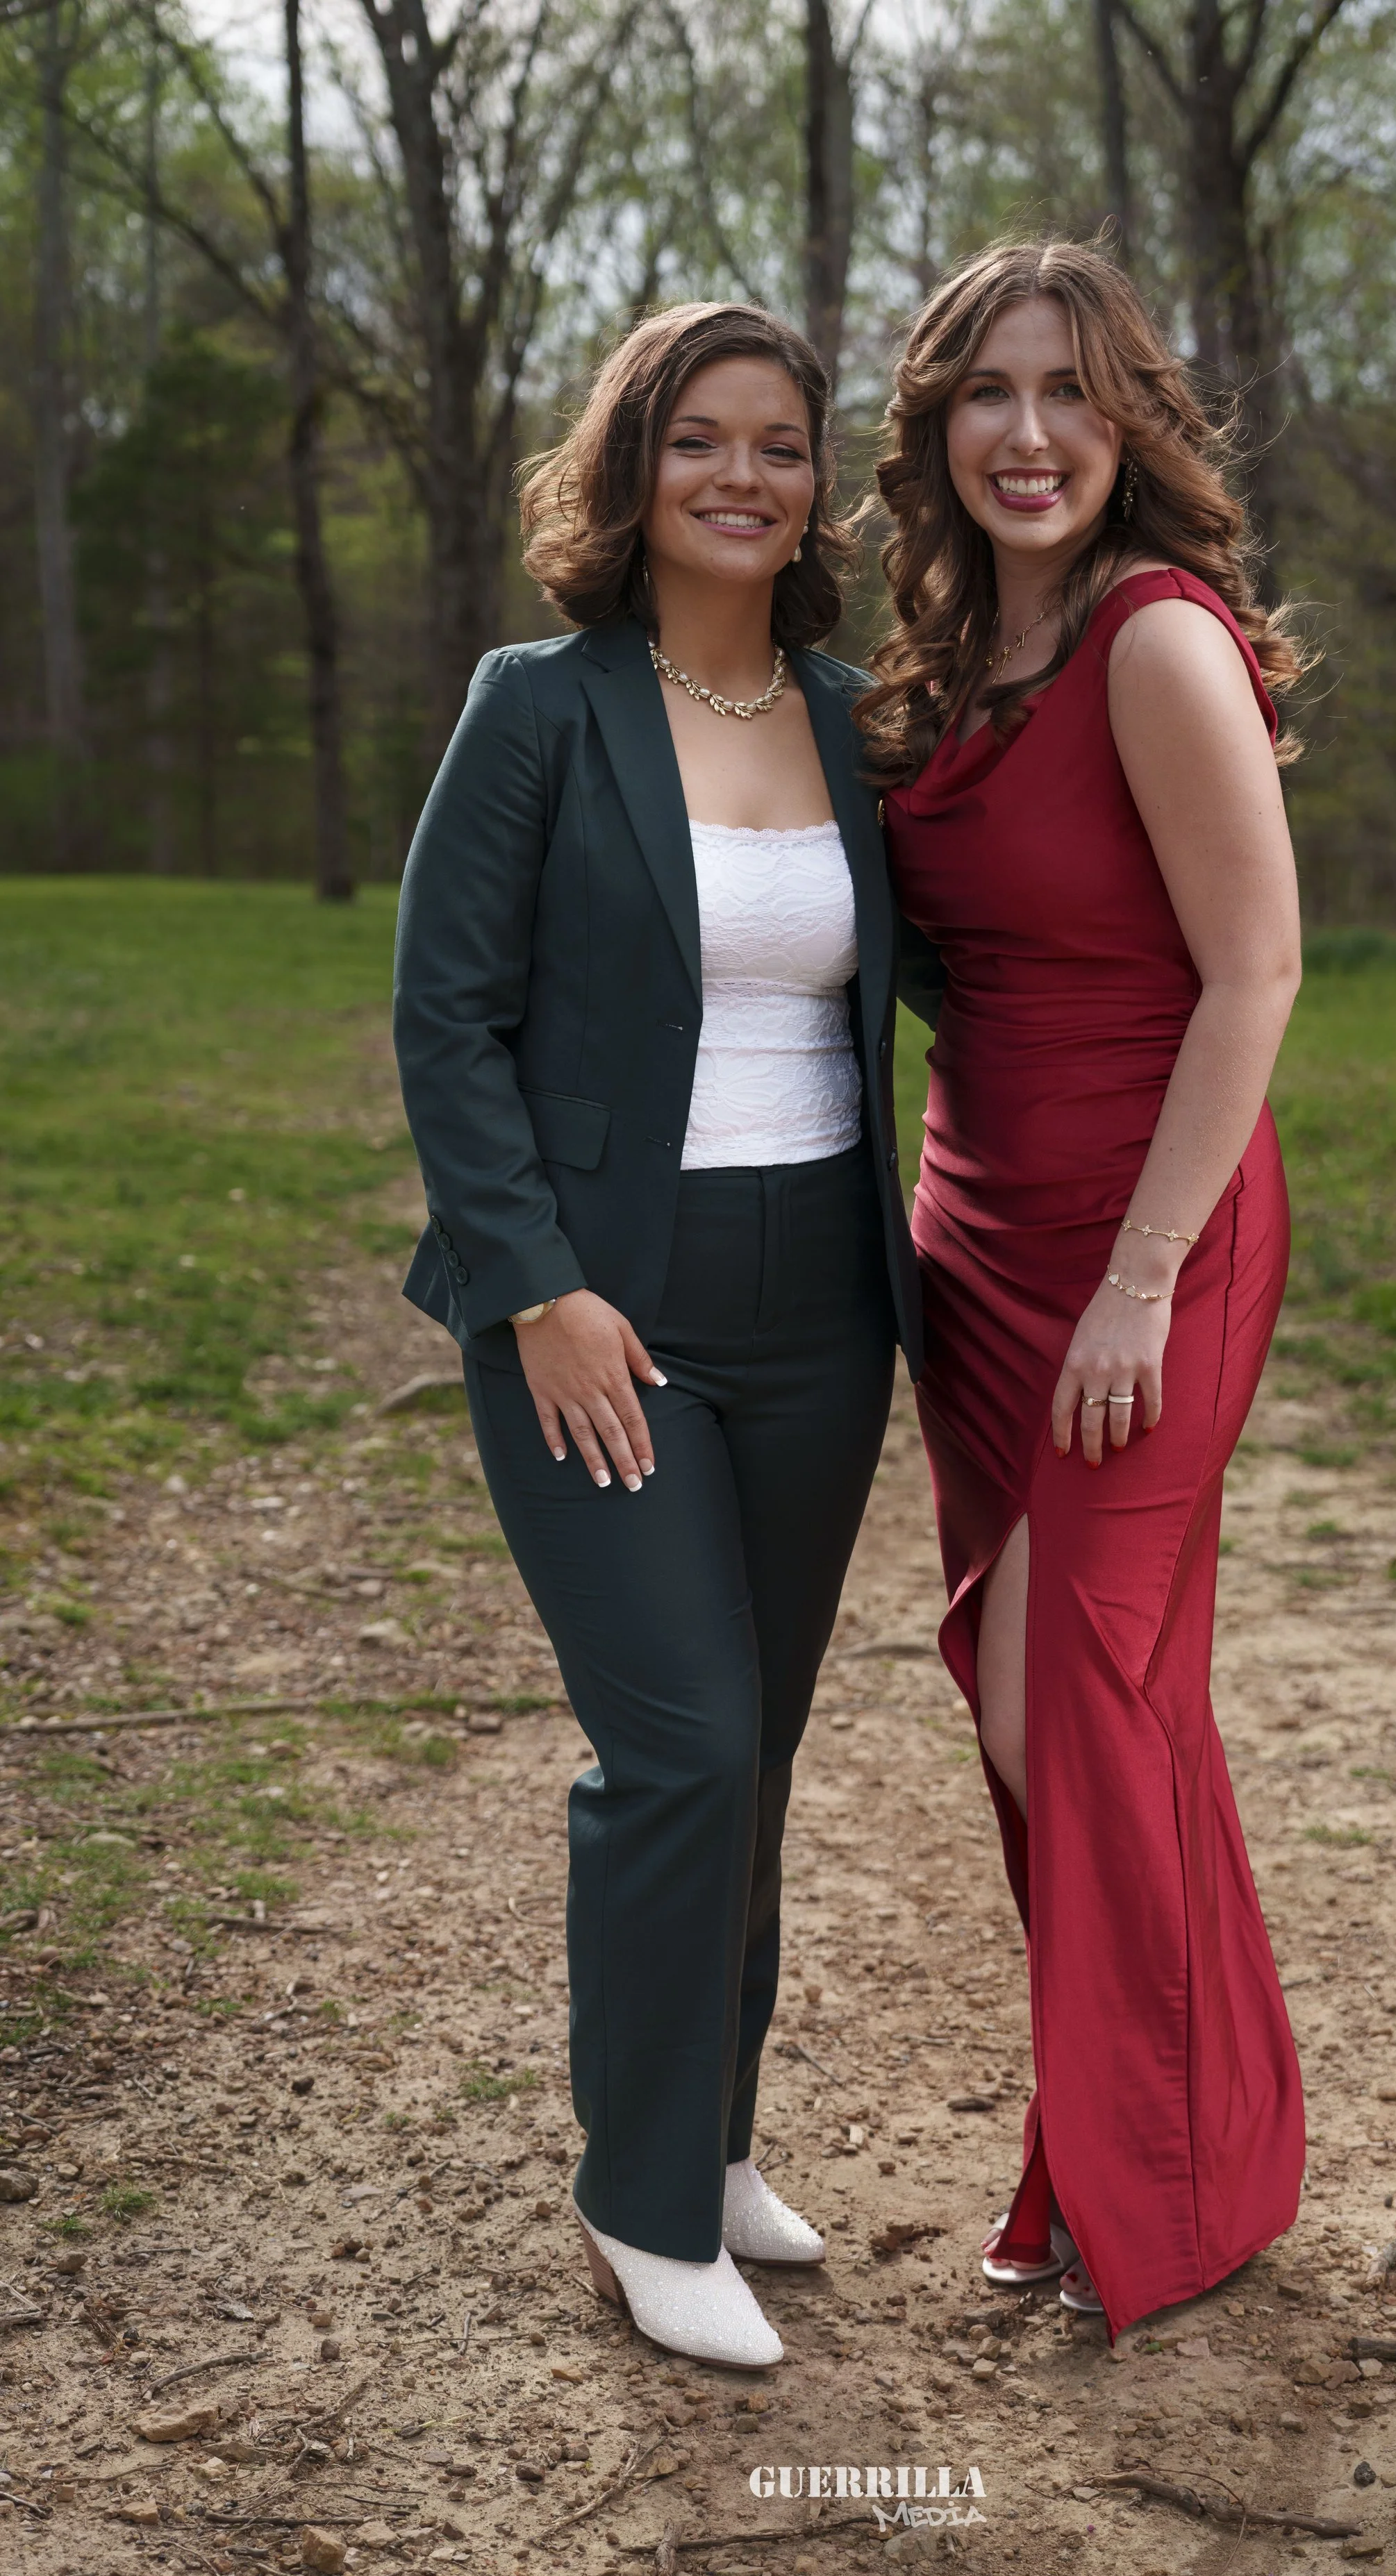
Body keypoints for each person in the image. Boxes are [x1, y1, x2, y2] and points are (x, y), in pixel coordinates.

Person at [392, 302, 921, 2370]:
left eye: (778, 443)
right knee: (680, 1740)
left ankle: (707, 2141)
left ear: (816, 486)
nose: (741, 473)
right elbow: (446, 1015)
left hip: (822, 1308)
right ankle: (634, 2205)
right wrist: (535, 1283)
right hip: (597, 1304)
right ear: (633, 468)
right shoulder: (539, 706)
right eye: (699, 437)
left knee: (757, 1750)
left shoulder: (856, 716)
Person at [862, 238, 1307, 2343]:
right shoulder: (946, 658)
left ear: (1122, 419)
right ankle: (1124, 2142)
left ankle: (1178, 2167)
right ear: (936, 428)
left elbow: (1256, 972)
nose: (1024, 433)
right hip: (980, 1238)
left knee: (1072, 1698)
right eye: (983, 394)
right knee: (1066, 1715)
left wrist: (1138, 1280)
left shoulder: (1153, 640)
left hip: (1155, 1237)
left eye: (1063, 390)